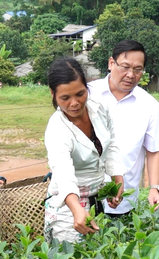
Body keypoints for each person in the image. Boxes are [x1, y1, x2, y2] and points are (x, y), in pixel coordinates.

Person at [44, 57, 126, 243]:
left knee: (96, 256)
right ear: (53, 94)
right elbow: (63, 173)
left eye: (80, 94)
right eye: (65, 98)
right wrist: (76, 210)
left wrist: (117, 178)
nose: (74, 103)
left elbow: (111, 143)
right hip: (68, 205)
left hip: (96, 197)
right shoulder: (57, 129)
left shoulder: (99, 107)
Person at [88, 40, 159, 217]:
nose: (130, 75)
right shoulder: (87, 94)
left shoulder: (149, 105)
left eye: (137, 69)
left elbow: (154, 150)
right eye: (125, 67)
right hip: (82, 194)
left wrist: (154, 188)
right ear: (111, 63)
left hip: (123, 201)